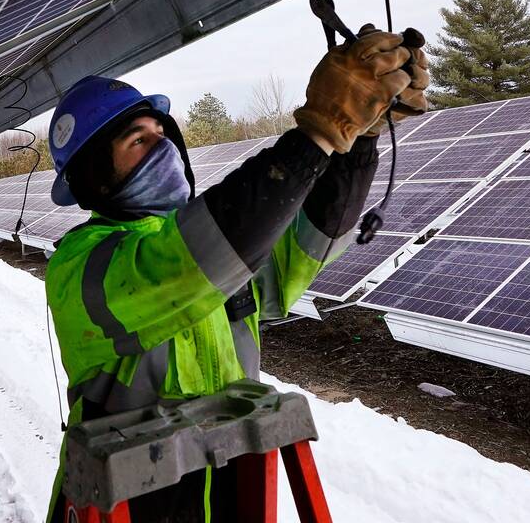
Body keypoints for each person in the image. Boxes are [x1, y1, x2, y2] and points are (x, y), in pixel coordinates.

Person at [44, 25, 430, 521]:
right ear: (94, 173)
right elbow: (189, 261)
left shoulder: (217, 250)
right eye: (138, 141)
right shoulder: (81, 263)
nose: (163, 149)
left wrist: (359, 137)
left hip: (229, 485)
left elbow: (309, 243)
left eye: (163, 135)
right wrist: (320, 128)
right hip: (130, 501)